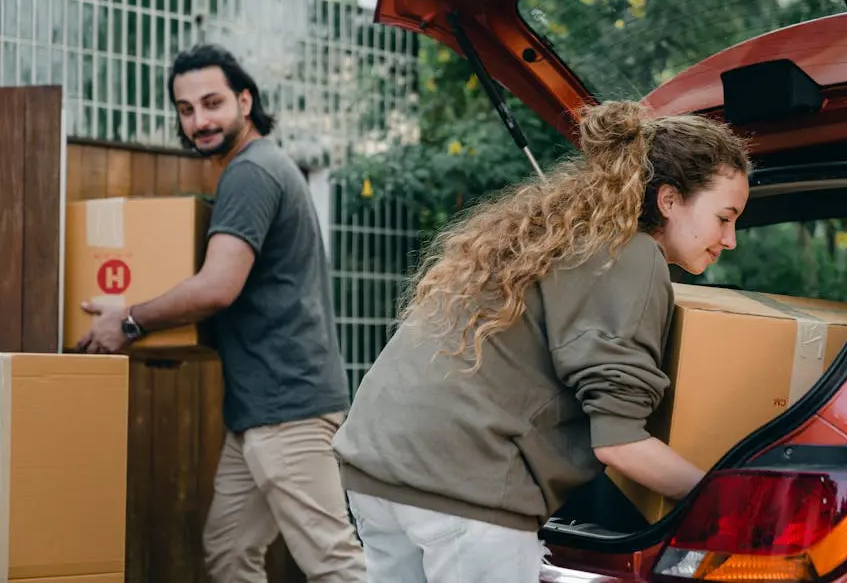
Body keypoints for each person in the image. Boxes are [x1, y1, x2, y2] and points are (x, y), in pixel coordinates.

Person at [331, 100, 752, 582]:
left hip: (377, 470)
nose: (731, 238)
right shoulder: (632, 256)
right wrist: (733, 503)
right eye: (725, 217)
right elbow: (620, 444)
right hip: (465, 489)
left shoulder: (553, 235)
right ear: (670, 201)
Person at [76, 43, 367, 583]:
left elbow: (217, 287)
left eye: (212, 103)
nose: (199, 120)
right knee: (230, 551)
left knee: (334, 564)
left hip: (288, 409)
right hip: (259, 410)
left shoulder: (252, 173)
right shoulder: (260, 168)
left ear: (245, 100)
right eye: (186, 110)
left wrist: (129, 319)